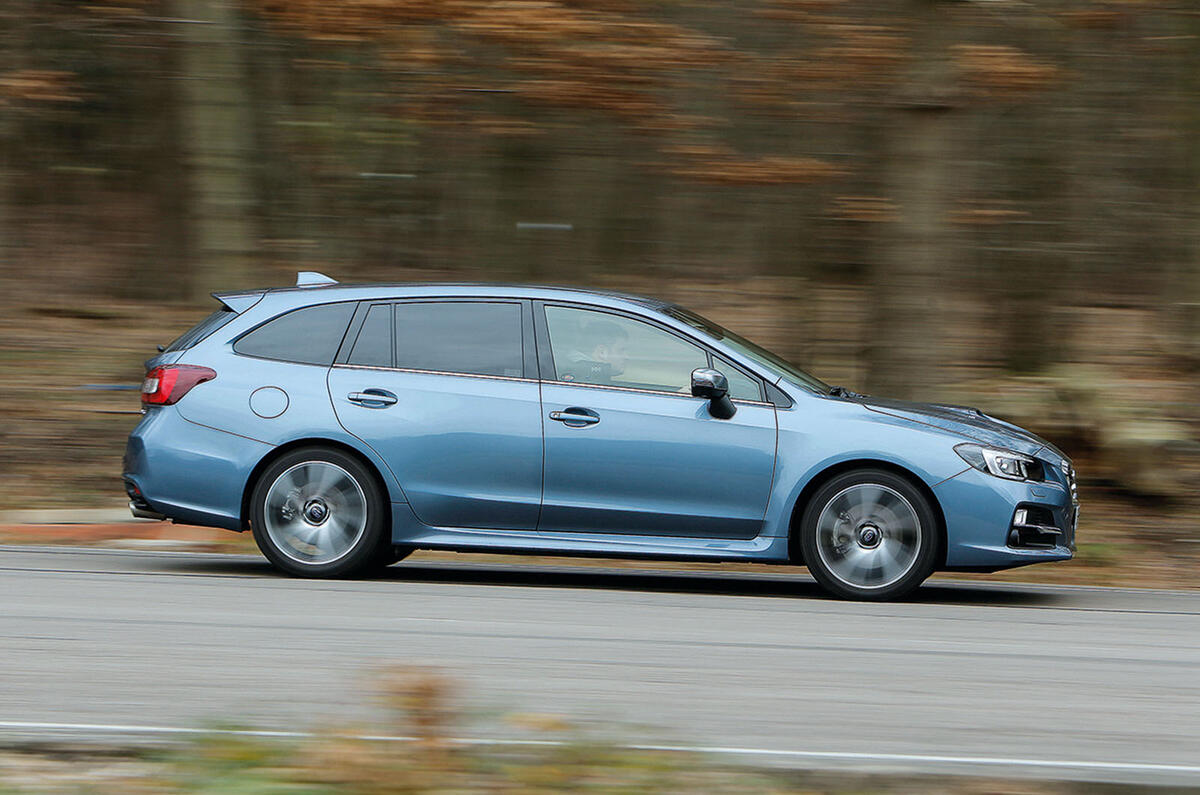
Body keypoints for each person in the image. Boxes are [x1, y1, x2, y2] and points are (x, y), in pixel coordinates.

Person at [557, 319, 629, 385]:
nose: (626, 357)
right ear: (601, 352)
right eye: (621, 350)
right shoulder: (587, 381)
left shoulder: (572, 370)